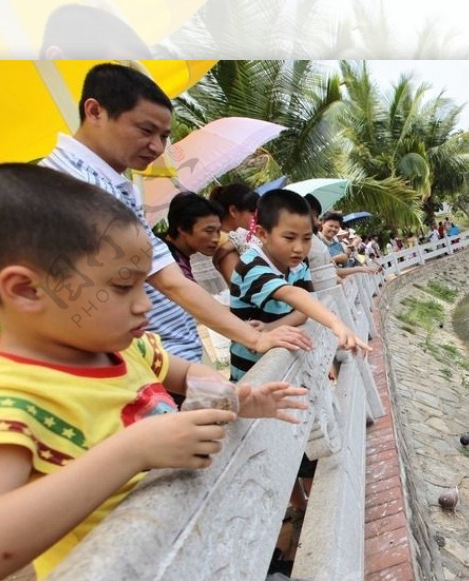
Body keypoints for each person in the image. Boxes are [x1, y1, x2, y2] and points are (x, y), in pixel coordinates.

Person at [0, 164, 310, 581]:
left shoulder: (125, 346)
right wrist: (133, 451)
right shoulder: (6, 397)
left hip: (190, 564)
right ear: (26, 290)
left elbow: (186, 373)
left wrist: (235, 398)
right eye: (122, 287)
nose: (144, 307)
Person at [38, 63, 312, 365]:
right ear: (94, 111)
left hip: (163, 361)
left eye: (164, 136)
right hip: (142, 367)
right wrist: (255, 337)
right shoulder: (78, 186)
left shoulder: (109, 183)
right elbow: (168, 281)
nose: (156, 147)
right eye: (145, 130)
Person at [228, 190, 369, 382]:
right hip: (251, 374)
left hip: (286, 369)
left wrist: (269, 327)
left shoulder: (298, 266)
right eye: (289, 237)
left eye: (306, 238)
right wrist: (337, 323)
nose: (299, 248)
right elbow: (293, 294)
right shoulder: (251, 266)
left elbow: (304, 309)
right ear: (262, 233)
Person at [162, 192, 224, 283]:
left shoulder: (165, 246)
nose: (216, 239)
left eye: (218, 231)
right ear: (183, 229)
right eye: (209, 231)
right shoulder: (169, 263)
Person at [209, 183, 260, 285]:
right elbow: (240, 287)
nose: (257, 218)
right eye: (252, 212)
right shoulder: (223, 240)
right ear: (233, 211)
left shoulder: (238, 238)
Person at [315, 211, 383, 280]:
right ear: (323, 223)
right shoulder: (317, 241)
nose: (333, 229)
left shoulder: (337, 243)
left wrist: (348, 254)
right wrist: (359, 269)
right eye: (331, 226)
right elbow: (332, 271)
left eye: (336, 227)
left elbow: (345, 264)